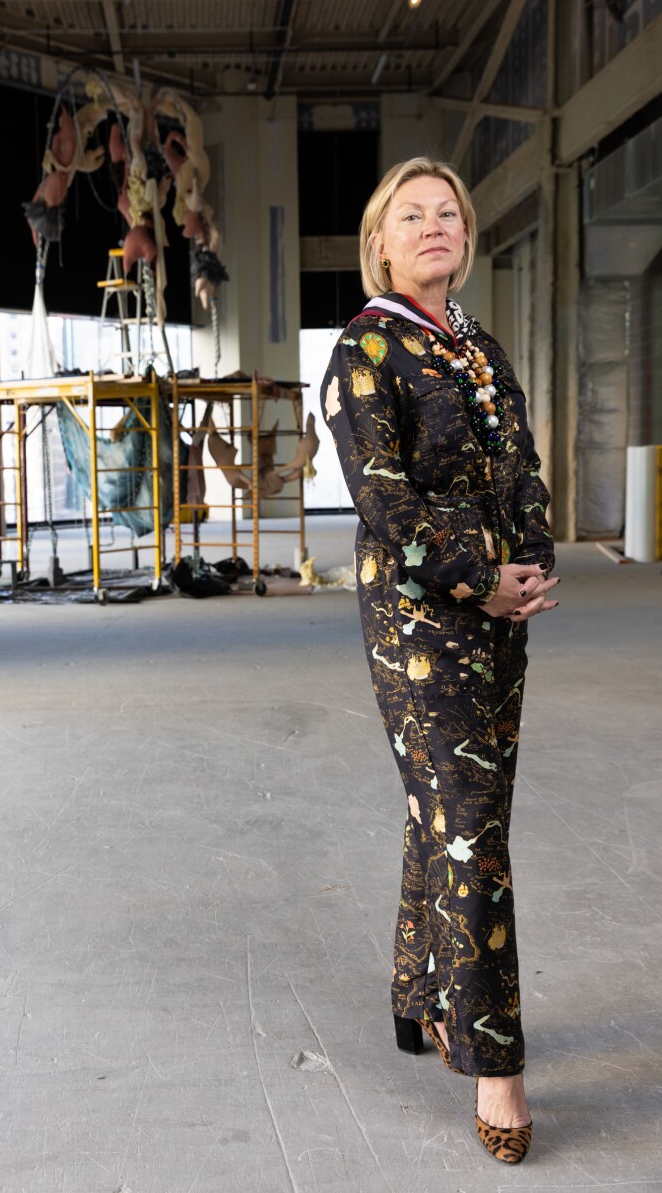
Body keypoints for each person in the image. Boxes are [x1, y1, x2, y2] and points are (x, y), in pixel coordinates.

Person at [320, 157, 558, 1165]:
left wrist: (534, 557)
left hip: (503, 615)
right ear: (380, 240)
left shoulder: (478, 345)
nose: (433, 226)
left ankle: (419, 996)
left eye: (448, 214)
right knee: (471, 833)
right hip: (421, 622)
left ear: (465, 238)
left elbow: (522, 463)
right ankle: (497, 1066)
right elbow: (382, 499)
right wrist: (480, 575)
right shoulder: (365, 349)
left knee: (460, 814)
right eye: (410, 214)